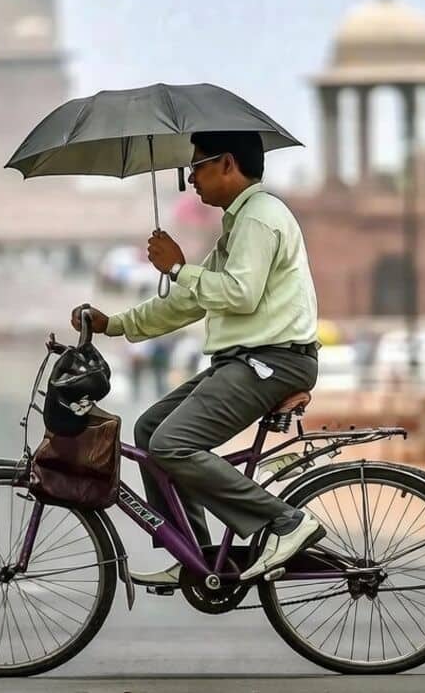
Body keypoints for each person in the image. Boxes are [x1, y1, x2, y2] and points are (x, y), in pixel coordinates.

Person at [69, 130, 322, 586]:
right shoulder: (238, 224)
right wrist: (116, 324)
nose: (191, 177)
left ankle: (285, 521)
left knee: (172, 445)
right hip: (246, 361)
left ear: (227, 163)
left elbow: (239, 295)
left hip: (272, 362)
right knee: (149, 431)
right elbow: (192, 301)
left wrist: (176, 268)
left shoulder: (261, 218)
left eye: (198, 165)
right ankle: (195, 553)